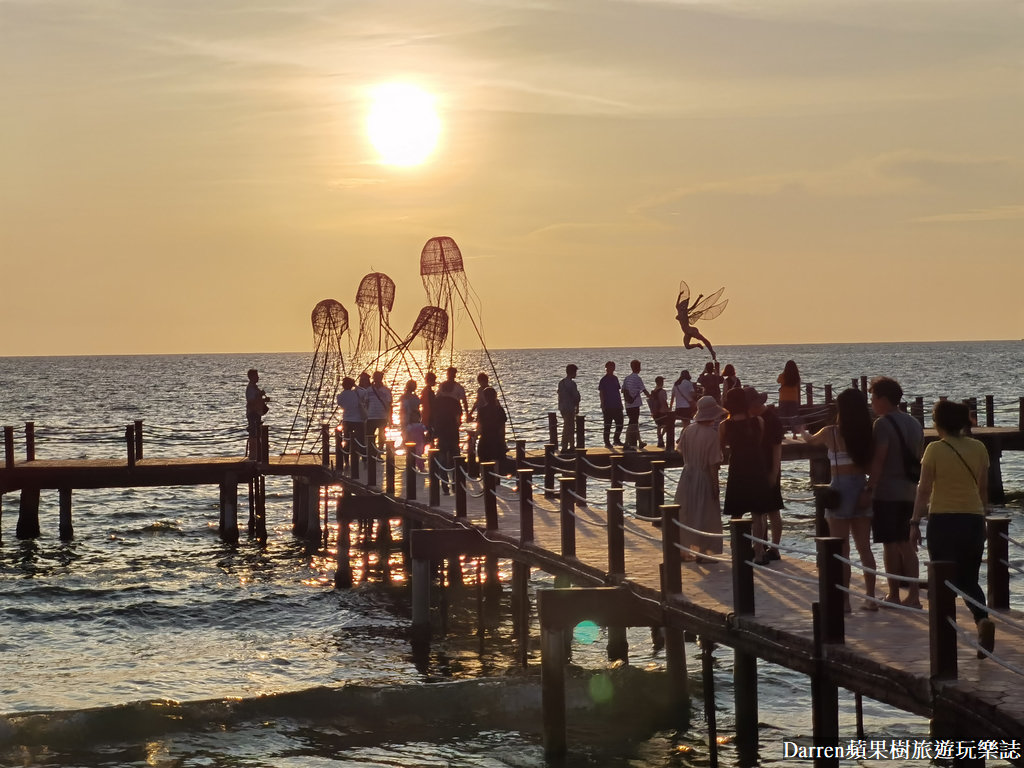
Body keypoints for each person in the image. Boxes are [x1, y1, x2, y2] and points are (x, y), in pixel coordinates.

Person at [910, 400, 994, 657]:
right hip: (972, 520)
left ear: (938, 423)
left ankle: (945, 643)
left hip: (943, 520)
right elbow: (982, 489)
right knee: (969, 577)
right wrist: (983, 519)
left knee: (943, 579)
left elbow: (923, 490)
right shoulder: (979, 448)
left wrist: (914, 522)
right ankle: (982, 620)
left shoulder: (935, 449)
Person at [800, 388, 878, 611]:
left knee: (841, 550)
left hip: (839, 491)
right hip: (861, 488)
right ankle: (871, 597)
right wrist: (869, 490)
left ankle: (844, 601)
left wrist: (802, 431)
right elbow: (873, 467)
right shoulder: (867, 434)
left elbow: (810, 441)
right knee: (865, 548)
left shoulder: (830, 432)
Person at [866, 376, 924, 607]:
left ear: (883, 399)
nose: (872, 403)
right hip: (910, 490)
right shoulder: (914, 423)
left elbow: (879, 460)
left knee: (890, 544)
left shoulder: (881, 424)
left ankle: (893, 593)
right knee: (907, 545)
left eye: (873, 398)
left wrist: (869, 487)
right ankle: (915, 596)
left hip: (887, 492)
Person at [720, 387, 774, 564]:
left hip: (738, 468)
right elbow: (757, 443)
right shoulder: (758, 421)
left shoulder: (725, 426)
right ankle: (758, 553)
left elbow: (721, 449)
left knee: (737, 513)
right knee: (757, 513)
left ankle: (738, 550)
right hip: (756, 467)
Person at [673, 395, 727, 561]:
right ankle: (704, 552)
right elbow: (712, 465)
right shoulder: (711, 435)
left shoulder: (688, 429)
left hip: (687, 474)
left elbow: (680, 450)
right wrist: (715, 486)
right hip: (703, 477)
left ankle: (684, 550)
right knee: (705, 514)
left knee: (687, 513)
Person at [745, 386, 785, 561]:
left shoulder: (772, 419)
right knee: (761, 510)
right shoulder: (755, 419)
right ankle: (761, 545)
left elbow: (777, 448)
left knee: (773, 509)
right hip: (757, 468)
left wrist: (774, 472)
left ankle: (774, 548)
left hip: (770, 466)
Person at [433, 380, 463, 493]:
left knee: (442, 459)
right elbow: (458, 420)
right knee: (456, 459)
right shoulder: (455, 402)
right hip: (453, 434)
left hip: (441, 433)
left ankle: (445, 486)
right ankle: (456, 484)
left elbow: (434, 416)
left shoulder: (436, 402)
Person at [476, 386, 509, 471]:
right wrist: (503, 442)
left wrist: (474, 438)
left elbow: (479, 428)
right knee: (496, 463)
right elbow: (502, 429)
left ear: (485, 397)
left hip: (485, 440)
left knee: (483, 464)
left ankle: (486, 482)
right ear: (495, 396)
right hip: (497, 440)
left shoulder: (482, 410)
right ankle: (496, 481)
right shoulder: (500, 410)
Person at [336, 376, 367, 461]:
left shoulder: (340, 396)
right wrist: (356, 386)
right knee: (361, 439)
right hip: (358, 420)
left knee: (347, 439)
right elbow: (365, 392)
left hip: (347, 420)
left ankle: (346, 458)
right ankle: (364, 457)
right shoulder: (357, 393)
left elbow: (340, 404)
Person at [622, 360, 649, 450]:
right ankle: (626, 442)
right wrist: (652, 397)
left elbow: (623, 390)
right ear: (638, 368)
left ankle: (639, 441)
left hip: (627, 404)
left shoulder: (627, 378)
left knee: (634, 423)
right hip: (635, 404)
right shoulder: (637, 378)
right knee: (632, 423)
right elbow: (644, 390)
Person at [364, 370, 393, 453]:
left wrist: (390, 418)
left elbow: (389, 405)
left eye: (378, 378)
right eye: (375, 378)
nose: (377, 379)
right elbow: (366, 403)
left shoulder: (386, 391)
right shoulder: (368, 390)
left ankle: (379, 451)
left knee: (382, 435)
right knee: (370, 435)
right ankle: (372, 451)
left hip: (382, 416)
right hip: (371, 416)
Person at [598, 361, 624, 449]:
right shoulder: (603, 380)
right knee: (607, 425)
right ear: (606, 368)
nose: (612, 369)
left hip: (617, 404)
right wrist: (602, 404)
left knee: (620, 423)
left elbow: (618, 392)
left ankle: (616, 439)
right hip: (608, 405)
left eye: (613, 367)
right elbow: (601, 393)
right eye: (610, 367)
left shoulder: (615, 378)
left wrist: (621, 403)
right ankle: (607, 442)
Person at [245, 368, 269, 459]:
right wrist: (260, 395)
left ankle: (257, 453)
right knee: (253, 433)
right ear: (252, 377)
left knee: (257, 433)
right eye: (256, 376)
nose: (258, 377)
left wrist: (264, 400)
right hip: (252, 413)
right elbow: (251, 401)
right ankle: (253, 454)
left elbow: (256, 400)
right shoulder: (250, 388)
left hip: (257, 413)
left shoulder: (255, 388)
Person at [557, 364, 581, 453]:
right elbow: (576, 397)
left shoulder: (561, 382)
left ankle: (569, 445)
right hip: (570, 408)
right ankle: (566, 446)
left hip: (563, 407)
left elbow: (559, 395)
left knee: (567, 426)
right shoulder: (572, 384)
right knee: (569, 427)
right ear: (573, 372)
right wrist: (577, 407)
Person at [777, 360, 801, 437]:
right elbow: (798, 384)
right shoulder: (796, 376)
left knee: (782, 416)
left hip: (783, 398)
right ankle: (794, 434)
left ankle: (782, 434)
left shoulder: (783, 376)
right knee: (793, 417)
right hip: (793, 398)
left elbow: (778, 381)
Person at [646, 375, 671, 448]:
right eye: (662, 381)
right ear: (661, 382)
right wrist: (669, 409)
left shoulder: (653, 391)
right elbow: (664, 401)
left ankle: (660, 439)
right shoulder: (662, 391)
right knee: (667, 426)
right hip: (663, 411)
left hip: (655, 412)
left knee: (659, 426)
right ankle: (661, 437)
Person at [420, 371, 438, 439]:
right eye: (434, 380)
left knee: (429, 432)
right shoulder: (429, 392)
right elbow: (432, 404)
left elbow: (421, 402)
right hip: (429, 415)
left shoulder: (425, 390)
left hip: (426, 414)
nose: (435, 382)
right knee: (431, 433)